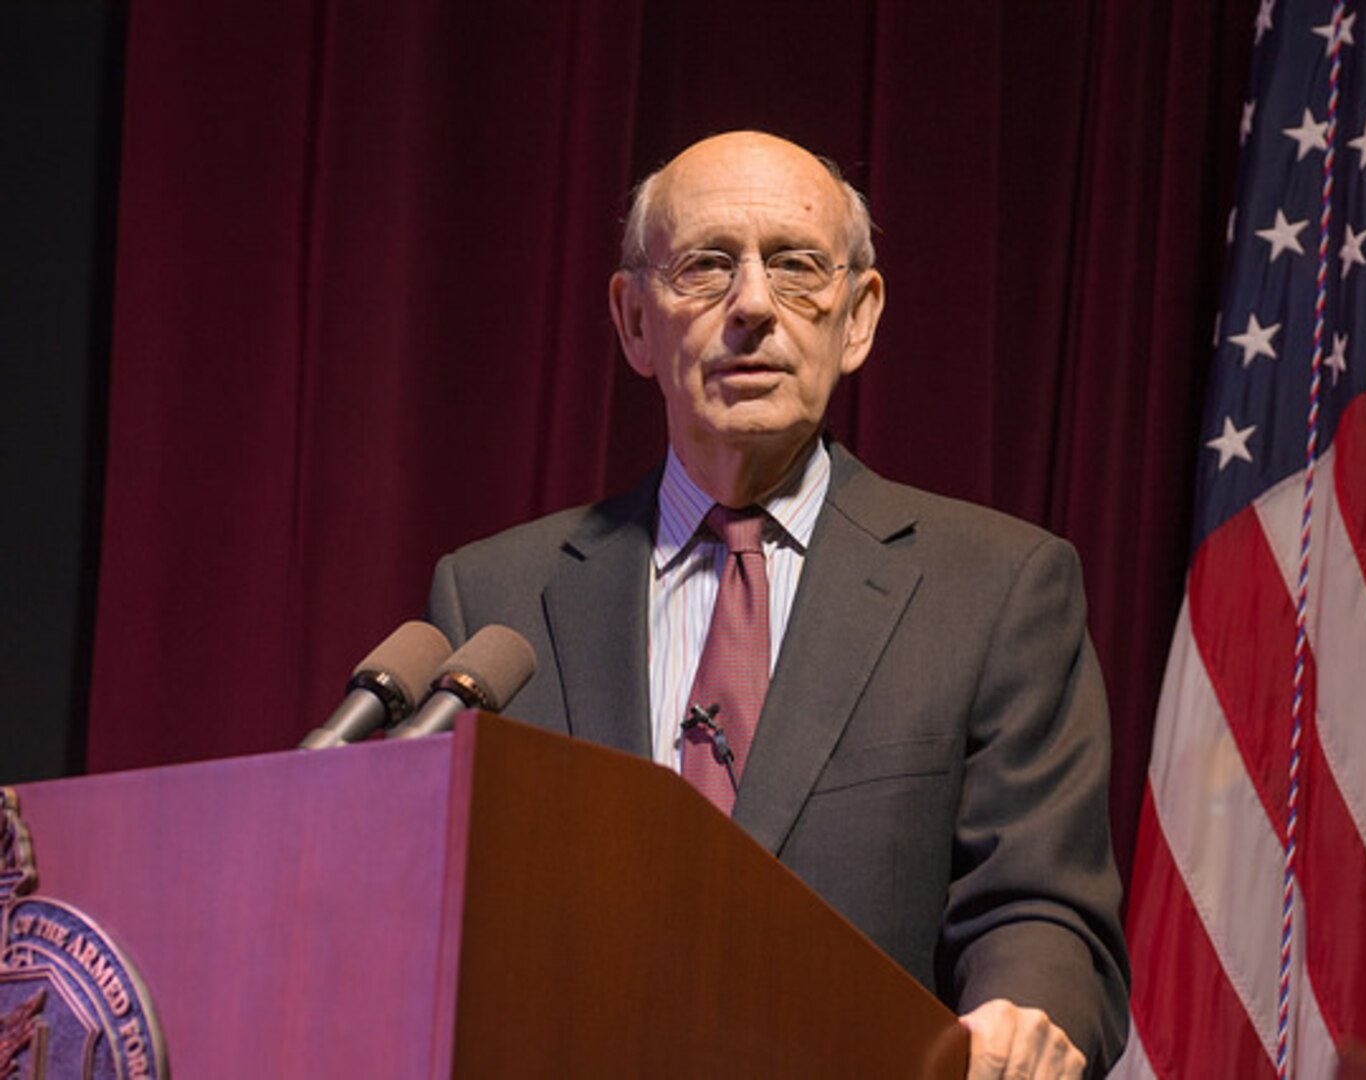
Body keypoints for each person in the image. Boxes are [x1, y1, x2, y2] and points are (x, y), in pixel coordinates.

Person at [426, 130, 1129, 1077]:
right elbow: (437, 918)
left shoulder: (998, 590)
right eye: (707, 267)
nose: (752, 305)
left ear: (858, 316)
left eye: (796, 267)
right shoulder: (497, 598)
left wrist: (1020, 1015)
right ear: (634, 320)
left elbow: (1039, 908)